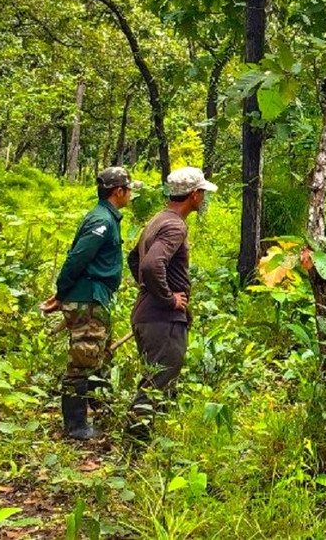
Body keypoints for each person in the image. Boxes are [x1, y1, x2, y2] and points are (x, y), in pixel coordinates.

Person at [45, 166, 143, 441]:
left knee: (97, 356)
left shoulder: (107, 217)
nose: (131, 194)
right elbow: (77, 258)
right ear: (118, 191)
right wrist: (62, 293)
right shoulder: (102, 221)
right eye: (129, 189)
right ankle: (75, 428)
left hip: (96, 297)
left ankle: (100, 412)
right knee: (83, 358)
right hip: (87, 298)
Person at [126, 166, 216, 438]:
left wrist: (148, 292)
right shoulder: (175, 225)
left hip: (147, 316)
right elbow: (152, 265)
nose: (203, 198)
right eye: (202, 193)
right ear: (194, 195)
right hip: (161, 320)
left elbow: (134, 260)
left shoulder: (158, 219)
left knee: (157, 380)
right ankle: (134, 448)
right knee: (156, 384)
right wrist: (167, 298)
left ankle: (150, 445)